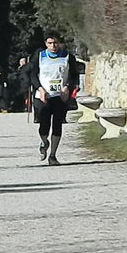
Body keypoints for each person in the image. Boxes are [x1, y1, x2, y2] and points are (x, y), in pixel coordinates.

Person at [30, 31, 79, 165]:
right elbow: (33, 75)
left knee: (57, 124)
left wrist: (67, 87)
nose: (53, 46)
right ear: (46, 44)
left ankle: (53, 155)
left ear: (60, 43)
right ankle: (44, 142)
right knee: (44, 125)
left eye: (55, 43)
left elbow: (74, 75)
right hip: (43, 96)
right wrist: (40, 89)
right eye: (50, 43)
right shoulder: (39, 56)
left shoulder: (68, 56)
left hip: (60, 96)